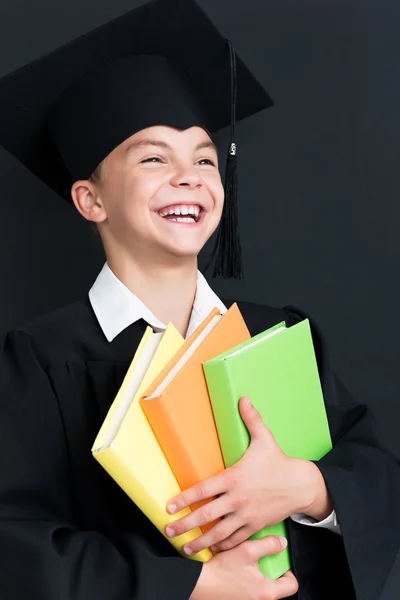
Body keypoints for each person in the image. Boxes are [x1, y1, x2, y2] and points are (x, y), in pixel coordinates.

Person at [0, 1, 399, 599]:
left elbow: (377, 474)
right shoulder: (39, 360)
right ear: (91, 200)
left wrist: (307, 488)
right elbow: (14, 543)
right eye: (155, 157)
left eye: (205, 158)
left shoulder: (277, 336)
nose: (189, 176)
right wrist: (189, 583)